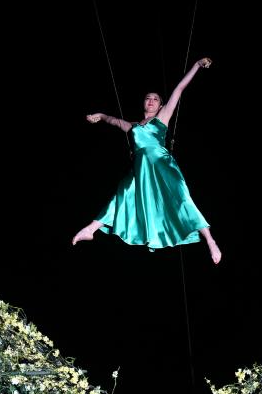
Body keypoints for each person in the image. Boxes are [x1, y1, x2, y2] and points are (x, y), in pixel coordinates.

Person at [72, 57, 222, 264]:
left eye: (155, 99)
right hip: (140, 169)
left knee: (181, 199)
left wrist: (196, 65)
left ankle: (210, 240)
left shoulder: (162, 118)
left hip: (162, 165)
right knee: (123, 194)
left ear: (161, 105)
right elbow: (114, 121)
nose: (151, 101)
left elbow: (179, 89)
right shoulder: (133, 127)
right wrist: (101, 115)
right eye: (147, 98)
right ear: (143, 103)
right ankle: (91, 229)